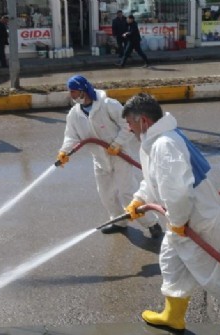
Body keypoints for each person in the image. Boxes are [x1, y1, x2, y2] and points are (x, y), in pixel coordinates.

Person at [122, 93, 220, 335]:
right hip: (181, 222)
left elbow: (177, 190)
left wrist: (177, 222)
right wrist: (139, 200)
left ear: (143, 120)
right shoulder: (154, 140)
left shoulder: (164, 144)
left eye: (130, 123)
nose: (128, 128)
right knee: (170, 262)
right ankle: (173, 315)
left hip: (198, 222)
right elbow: (155, 181)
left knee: (210, 275)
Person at [56, 75, 163, 238]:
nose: (74, 97)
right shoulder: (74, 114)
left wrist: (118, 143)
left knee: (128, 192)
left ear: (85, 90)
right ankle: (119, 221)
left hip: (119, 155)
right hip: (99, 159)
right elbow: (71, 136)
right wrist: (64, 151)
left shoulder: (108, 105)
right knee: (106, 194)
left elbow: (127, 124)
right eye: (72, 94)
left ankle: (152, 224)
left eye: (76, 93)